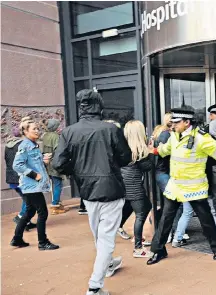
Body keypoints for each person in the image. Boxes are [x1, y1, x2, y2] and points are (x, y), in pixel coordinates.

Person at [52, 89, 132, 295]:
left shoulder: (69, 132)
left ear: (81, 107)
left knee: (99, 234)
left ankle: (108, 263)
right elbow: (125, 158)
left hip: (87, 190)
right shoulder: (110, 129)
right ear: (99, 106)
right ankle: (95, 286)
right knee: (104, 237)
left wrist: (78, 171)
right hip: (111, 187)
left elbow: (58, 164)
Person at [147, 108, 216, 265]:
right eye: (172, 122)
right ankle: (158, 250)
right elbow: (165, 150)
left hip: (195, 188)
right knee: (165, 220)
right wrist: (153, 150)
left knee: (206, 220)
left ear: (187, 122)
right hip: (175, 187)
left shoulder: (202, 138)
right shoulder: (174, 136)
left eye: (176, 122)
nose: (172, 125)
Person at [11, 117, 59, 251]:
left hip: (32, 185)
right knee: (42, 212)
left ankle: (17, 239)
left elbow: (33, 164)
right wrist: (34, 175)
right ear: (25, 132)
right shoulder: (25, 146)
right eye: (34, 129)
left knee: (29, 211)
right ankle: (43, 242)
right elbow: (17, 165)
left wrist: (44, 161)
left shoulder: (34, 145)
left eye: (38, 128)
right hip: (31, 186)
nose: (37, 131)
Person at [152, 113, 189, 243]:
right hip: (164, 173)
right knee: (175, 203)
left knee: (170, 204)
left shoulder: (162, 133)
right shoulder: (167, 135)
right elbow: (166, 153)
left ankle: (168, 230)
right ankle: (171, 232)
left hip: (163, 173)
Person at [120, 120, 155, 257]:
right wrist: (151, 152)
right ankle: (138, 248)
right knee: (141, 213)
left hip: (126, 185)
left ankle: (120, 227)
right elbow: (147, 167)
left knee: (143, 206)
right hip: (133, 186)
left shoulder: (124, 148)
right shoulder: (137, 151)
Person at [5, 127, 37, 230]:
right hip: (20, 177)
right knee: (29, 201)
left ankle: (26, 221)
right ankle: (20, 218)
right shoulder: (21, 145)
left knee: (27, 199)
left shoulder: (7, 146)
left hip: (11, 177)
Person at [42, 119, 68, 215]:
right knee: (58, 184)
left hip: (47, 163)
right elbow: (59, 151)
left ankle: (57, 203)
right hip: (55, 163)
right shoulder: (56, 136)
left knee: (54, 183)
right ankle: (55, 204)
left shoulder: (45, 136)